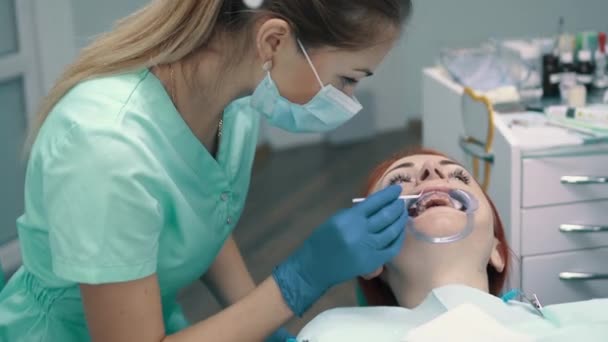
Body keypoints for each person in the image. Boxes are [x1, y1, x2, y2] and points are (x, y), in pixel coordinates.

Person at [0, 1, 414, 341]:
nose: (347, 100)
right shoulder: (107, 149)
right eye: (347, 79)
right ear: (273, 40)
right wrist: (296, 283)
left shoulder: (234, 106)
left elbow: (202, 216)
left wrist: (258, 322)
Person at [297, 148, 608, 342]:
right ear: (371, 258)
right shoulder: (333, 333)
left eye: (459, 176)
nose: (431, 172)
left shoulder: (589, 321)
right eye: (398, 181)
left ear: (496, 251)